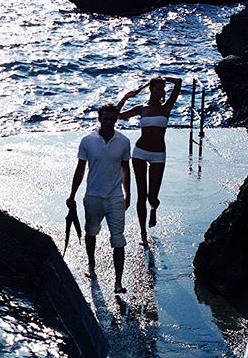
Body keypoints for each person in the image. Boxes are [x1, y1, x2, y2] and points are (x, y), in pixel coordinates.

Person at [67, 103, 131, 292]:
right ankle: (91, 265)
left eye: (112, 119)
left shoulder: (124, 141)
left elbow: (126, 169)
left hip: (115, 197)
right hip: (93, 196)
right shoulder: (88, 141)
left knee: (118, 240)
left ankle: (118, 283)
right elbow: (80, 169)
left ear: (116, 119)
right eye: (105, 119)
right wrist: (72, 195)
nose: (109, 122)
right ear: (99, 119)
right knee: (91, 232)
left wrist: (128, 194)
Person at [116, 75, 182, 247]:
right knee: (141, 196)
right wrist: (126, 97)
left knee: (152, 198)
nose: (161, 92)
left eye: (163, 89)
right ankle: (143, 233)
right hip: (140, 153)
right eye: (158, 88)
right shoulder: (141, 108)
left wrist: (161, 78)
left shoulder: (167, 107)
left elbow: (179, 82)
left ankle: (154, 209)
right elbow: (117, 116)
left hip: (158, 155)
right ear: (151, 90)